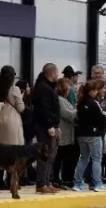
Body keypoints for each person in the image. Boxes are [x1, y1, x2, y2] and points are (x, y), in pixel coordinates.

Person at [73, 79, 106, 192]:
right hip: (94, 134)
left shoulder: (80, 102)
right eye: (96, 90)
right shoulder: (93, 103)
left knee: (83, 158)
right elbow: (100, 118)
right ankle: (97, 183)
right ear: (92, 91)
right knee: (96, 159)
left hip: (81, 134)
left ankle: (77, 183)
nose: (97, 92)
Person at [32, 63, 61, 194]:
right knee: (45, 155)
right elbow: (44, 109)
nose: (58, 76)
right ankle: (41, 183)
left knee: (51, 155)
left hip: (52, 126)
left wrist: (56, 125)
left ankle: (47, 181)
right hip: (44, 127)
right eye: (57, 73)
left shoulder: (49, 87)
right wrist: (50, 125)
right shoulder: (43, 88)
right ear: (51, 74)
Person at [53, 78, 78, 188]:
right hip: (63, 133)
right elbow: (68, 115)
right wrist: (78, 108)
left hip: (67, 133)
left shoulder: (64, 99)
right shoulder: (60, 100)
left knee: (64, 158)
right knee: (59, 158)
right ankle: (56, 179)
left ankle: (62, 178)